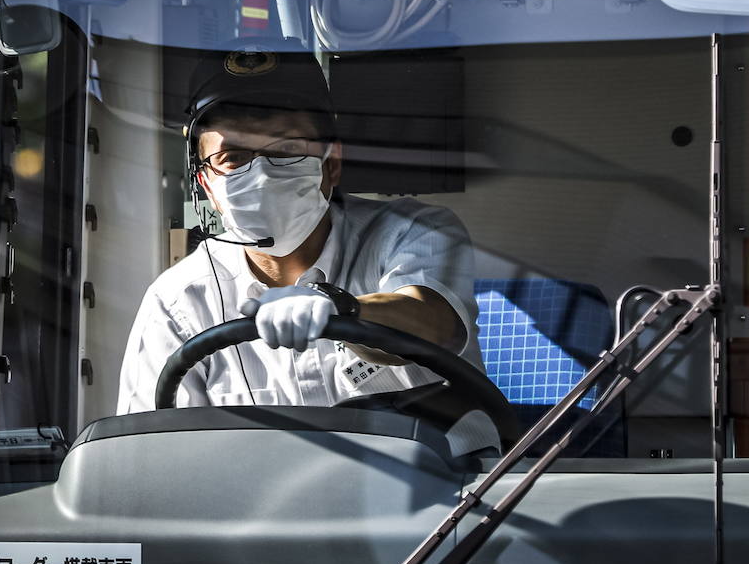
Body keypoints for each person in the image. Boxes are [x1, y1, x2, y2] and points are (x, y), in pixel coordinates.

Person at [116, 46, 484, 422]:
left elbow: (434, 324)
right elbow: (151, 447)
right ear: (207, 185)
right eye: (234, 158)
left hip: (446, 479)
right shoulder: (178, 301)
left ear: (332, 164)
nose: (261, 175)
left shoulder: (411, 232)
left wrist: (345, 311)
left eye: (287, 149)